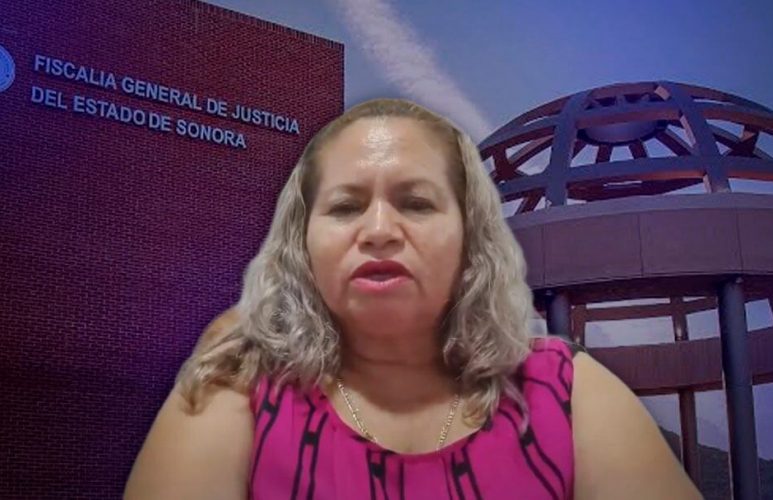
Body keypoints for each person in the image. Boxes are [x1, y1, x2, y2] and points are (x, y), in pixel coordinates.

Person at [124, 98, 702, 499]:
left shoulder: (568, 394)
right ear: (302, 244)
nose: (379, 230)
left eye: (417, 203)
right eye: (345, 206)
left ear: (471, 239)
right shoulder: (239, 384)